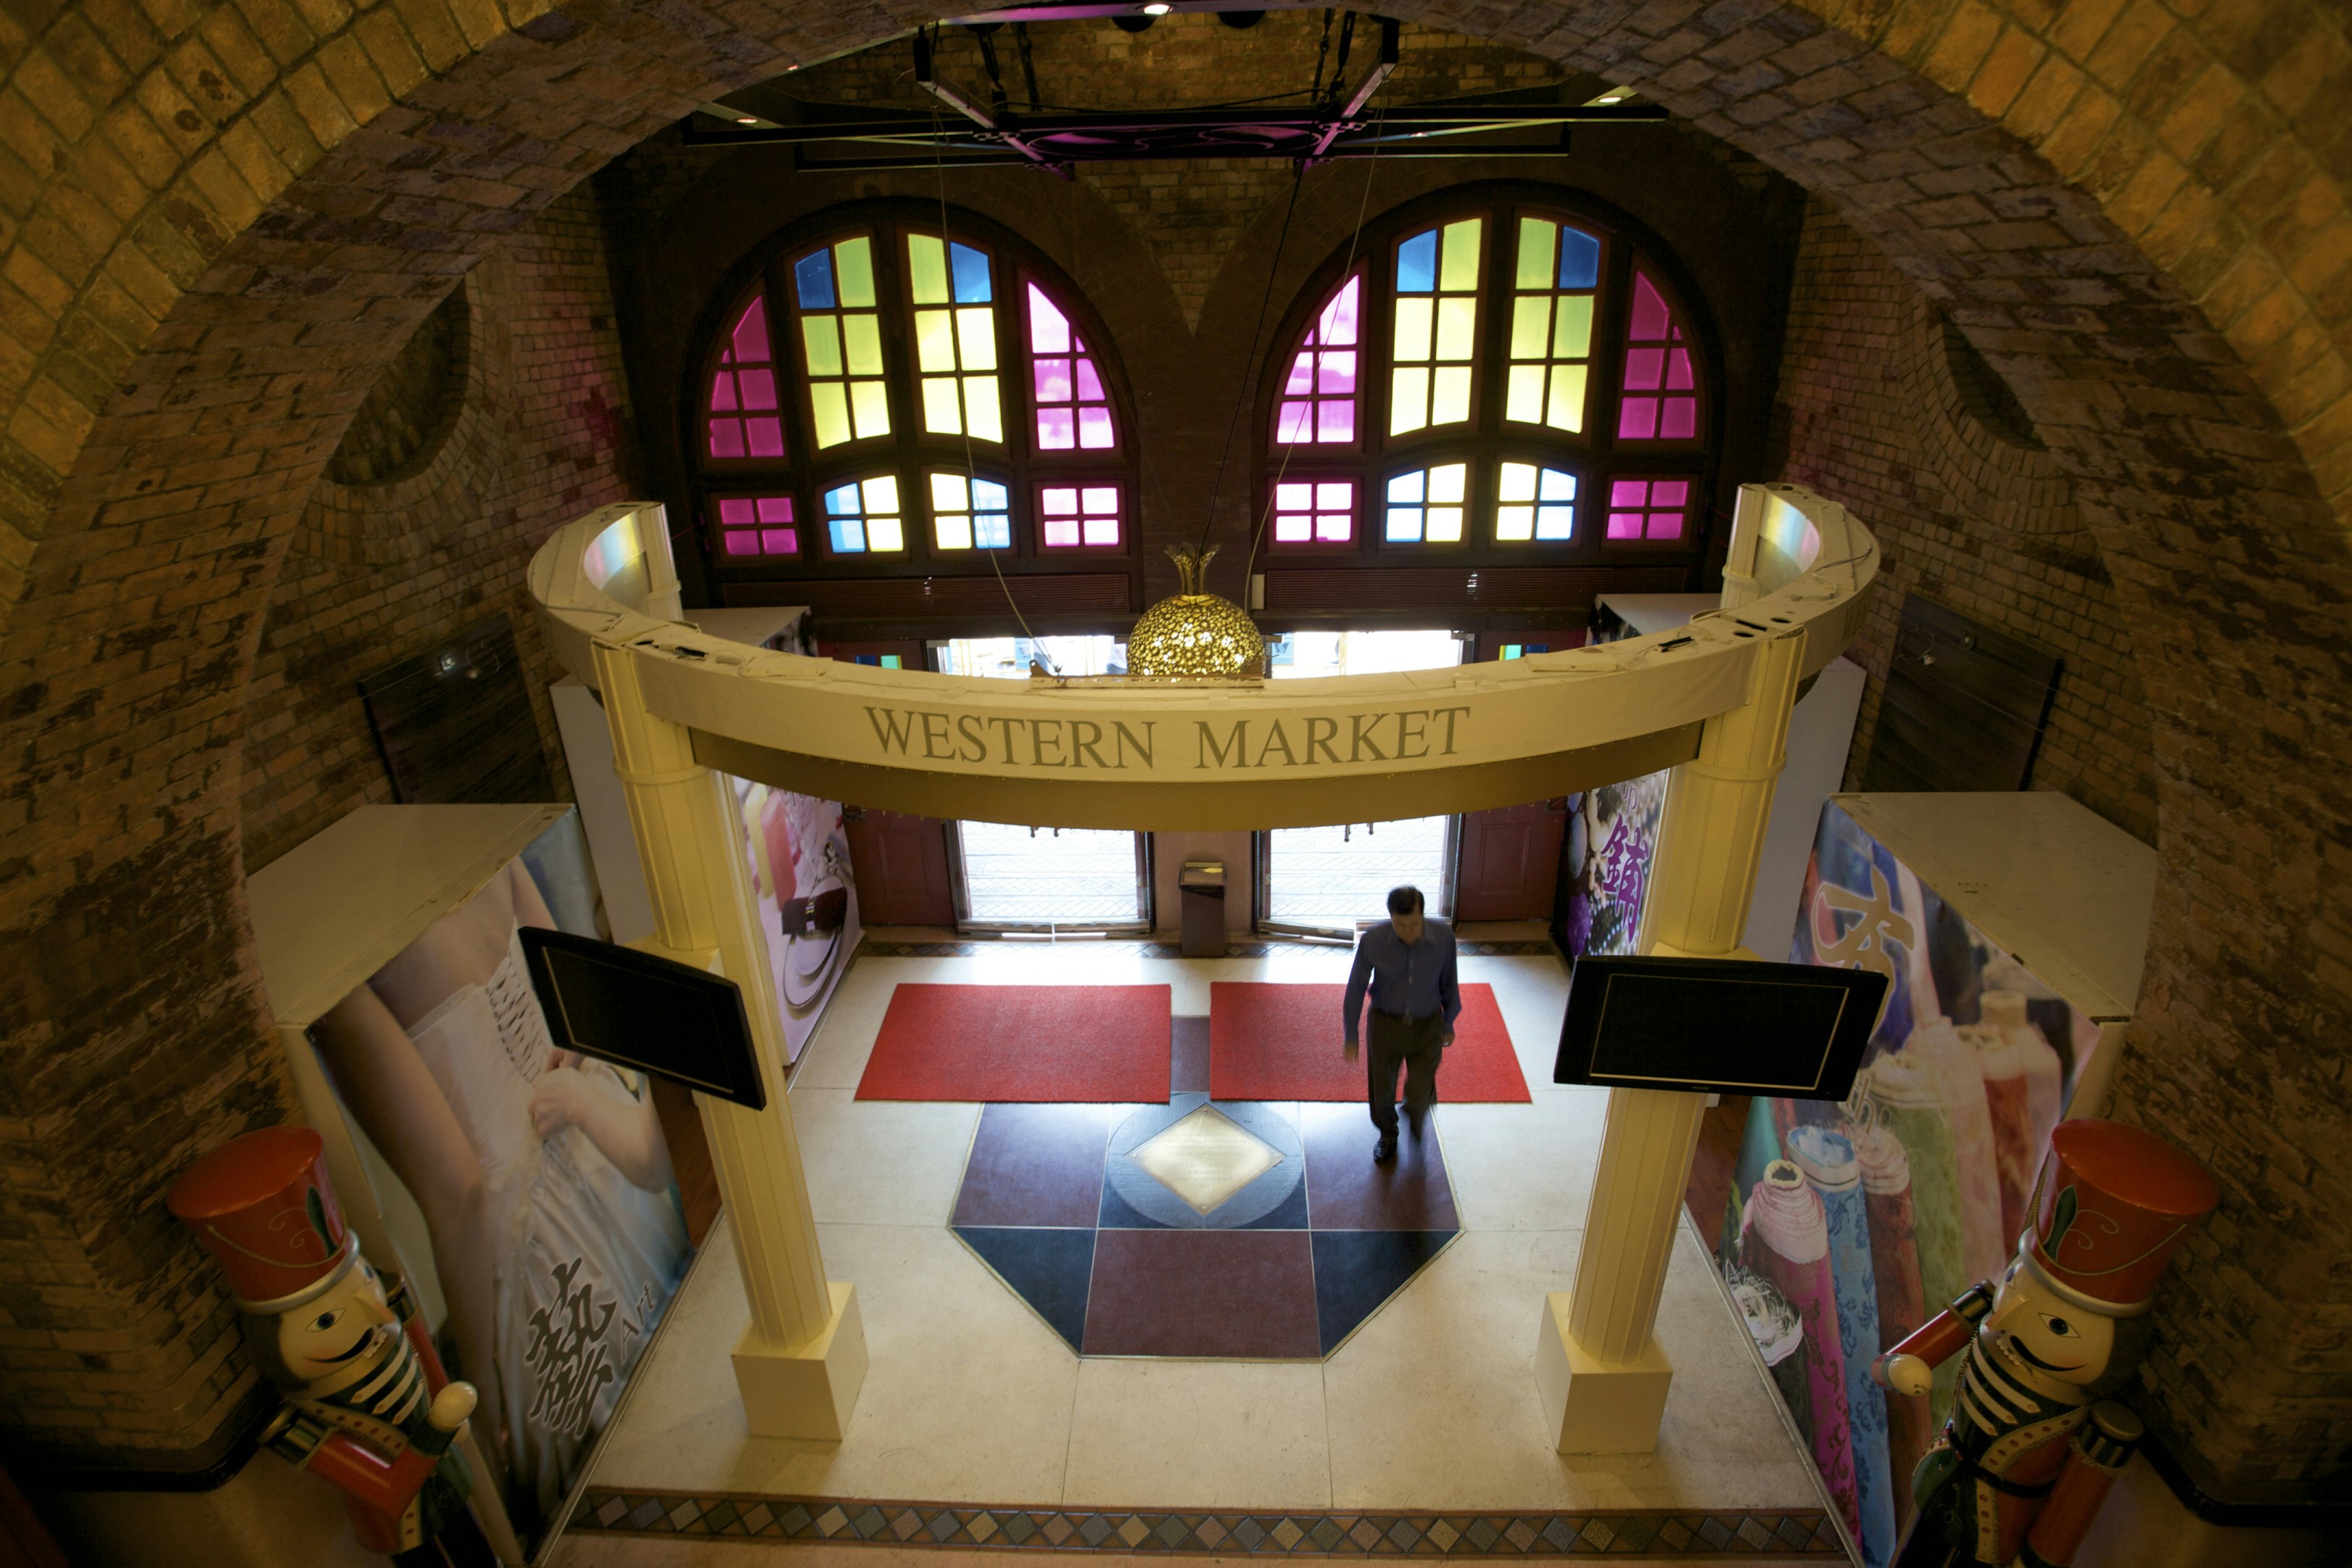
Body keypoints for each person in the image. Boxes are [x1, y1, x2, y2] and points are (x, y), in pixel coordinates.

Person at [313, 857, 689, 1530]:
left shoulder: (342, 982)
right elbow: (573, 1014)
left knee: (602, 1492)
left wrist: (481, 1394)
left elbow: (459, 1191)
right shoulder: (492, 857)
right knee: (677, 1391)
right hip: (597, 1155)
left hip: (532, 1255)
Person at [1342, 885, 1461, 1164]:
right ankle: (1387, 1134)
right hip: (1385, 1023)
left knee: (1421, 1087)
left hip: (1427, 1024)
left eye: (1414, 924)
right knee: (1382, 1087)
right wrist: (1351, 1034)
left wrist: (1449, 1021)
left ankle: (1416, 1114)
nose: (1409, 932)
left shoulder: (1444, 938)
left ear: (1423, 914)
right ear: (1391, 918)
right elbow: (1356, 988)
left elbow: (1449, 982)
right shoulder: (1373, 941)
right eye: (1401, 925)